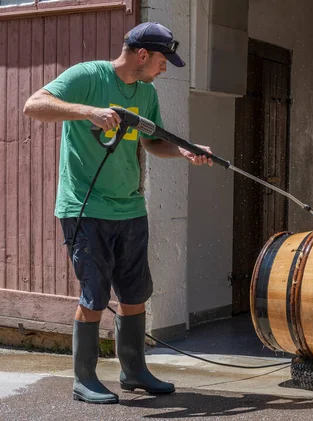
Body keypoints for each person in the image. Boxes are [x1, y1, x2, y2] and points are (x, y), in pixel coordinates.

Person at [23, 22, 211, 405]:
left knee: (135, 292)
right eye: (162, 60)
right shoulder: (87, 75)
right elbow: (33, 105)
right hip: (86, 208)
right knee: (94, 295)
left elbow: (153, 143)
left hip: (130, 207)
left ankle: (134, 370)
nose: (164, 68)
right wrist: (86, 111)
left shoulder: (146, 92)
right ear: (142, 55)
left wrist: (185, 150)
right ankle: (84, 378)